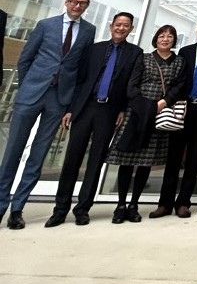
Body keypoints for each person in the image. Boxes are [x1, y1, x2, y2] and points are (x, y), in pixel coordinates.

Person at [0, 0, 96, 230]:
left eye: (83, 3)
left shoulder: (88, 31)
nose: (77, 6)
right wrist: (26, 87)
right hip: (31, 94)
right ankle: (0, 206)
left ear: (87, 6)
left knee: (38, 156)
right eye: (74, 2)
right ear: (66, 2)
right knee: (12, 152)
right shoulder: (46, 25)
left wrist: (70, 105)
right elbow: (25, 59)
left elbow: (81, 70)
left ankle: (17, 210)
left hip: (59, 99)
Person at [46, 12, 143, 227]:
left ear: (131, 29)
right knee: (72, 158)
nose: (121, 28)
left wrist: (123, 110)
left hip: (109, 111)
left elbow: (131, 85)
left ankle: (83, 208)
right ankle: (60, 209)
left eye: (125, 26)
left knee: (96, 160)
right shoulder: (94, 49)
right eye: (118, 24)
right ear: (111, 26)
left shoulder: (135, 53)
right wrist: (71, 109)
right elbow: (80, 81)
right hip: (85, 108)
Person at [106, 25, 188, 224]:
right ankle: (121, 204)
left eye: (170, 36)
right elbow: (131, 85)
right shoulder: (143, 58)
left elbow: (179, 86)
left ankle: (134, 204)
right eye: (162, 35)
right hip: (137, 111)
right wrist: (143, 105)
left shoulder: (179, 61)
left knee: (145, 162)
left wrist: (163, 103)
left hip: (159, 113)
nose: (165, 39)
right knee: (128, 159)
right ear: (156, 38)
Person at [152, 15, 197, 219]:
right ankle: (164, 203)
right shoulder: (185, 52)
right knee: (173, 157)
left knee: (193, 158)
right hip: (181, 108)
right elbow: (178, 80)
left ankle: (183, 202)